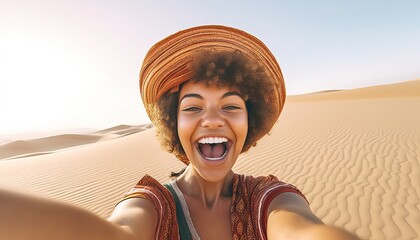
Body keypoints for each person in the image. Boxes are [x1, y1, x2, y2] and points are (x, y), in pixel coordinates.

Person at [0, 25, 359, 240]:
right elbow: (121, 232)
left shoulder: (266, 197)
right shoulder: (153, 203)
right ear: (175, 123)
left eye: (231, 106)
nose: (213, 119)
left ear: (250, 122)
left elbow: (301, 229)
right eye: (192, 107)